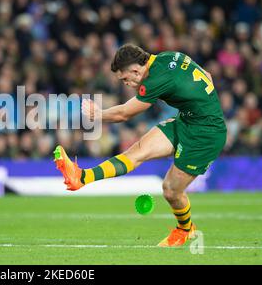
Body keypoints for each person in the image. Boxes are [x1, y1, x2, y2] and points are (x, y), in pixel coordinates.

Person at [54, 44, 227, 247]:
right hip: (188, 121)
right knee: (136, 153)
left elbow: (124, 114)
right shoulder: (167, 57)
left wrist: (98, 114)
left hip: (206, 134)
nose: (127, 84)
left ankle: (185, 230)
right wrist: (200, 103)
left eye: (126, 78)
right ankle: (82, 177)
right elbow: (206, 74)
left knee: (171, 190)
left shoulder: (155, 79)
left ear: (136, 70)